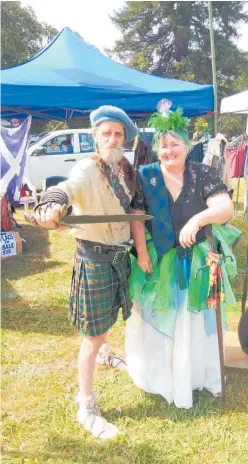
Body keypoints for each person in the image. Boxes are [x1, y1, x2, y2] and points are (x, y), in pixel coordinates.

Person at [125, 99, 239, 409]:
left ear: (187, 147)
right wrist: (141, 252)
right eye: (163, 146)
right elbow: (137, 214)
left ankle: (202, 375)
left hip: (197, 259)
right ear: (157, 150)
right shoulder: (147, 175)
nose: (169, 151)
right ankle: (162, 376)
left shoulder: (202, 173)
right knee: (160, 315)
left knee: (196, 318)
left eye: (175, 144)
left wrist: (198, 219)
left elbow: (224, 207)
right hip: (160, 257)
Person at [34, 105, 138, 439]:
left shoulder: (125, 169)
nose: (112, 138)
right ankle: (86, 405)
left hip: (121, 257)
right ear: (95, 136)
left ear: (125, 139)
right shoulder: (87, 168)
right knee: (92, 335)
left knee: (108, 319)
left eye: (118, 133)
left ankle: (108, 356)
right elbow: (69, 187)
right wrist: (52, 203)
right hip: (94, 259)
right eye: (106, 132)